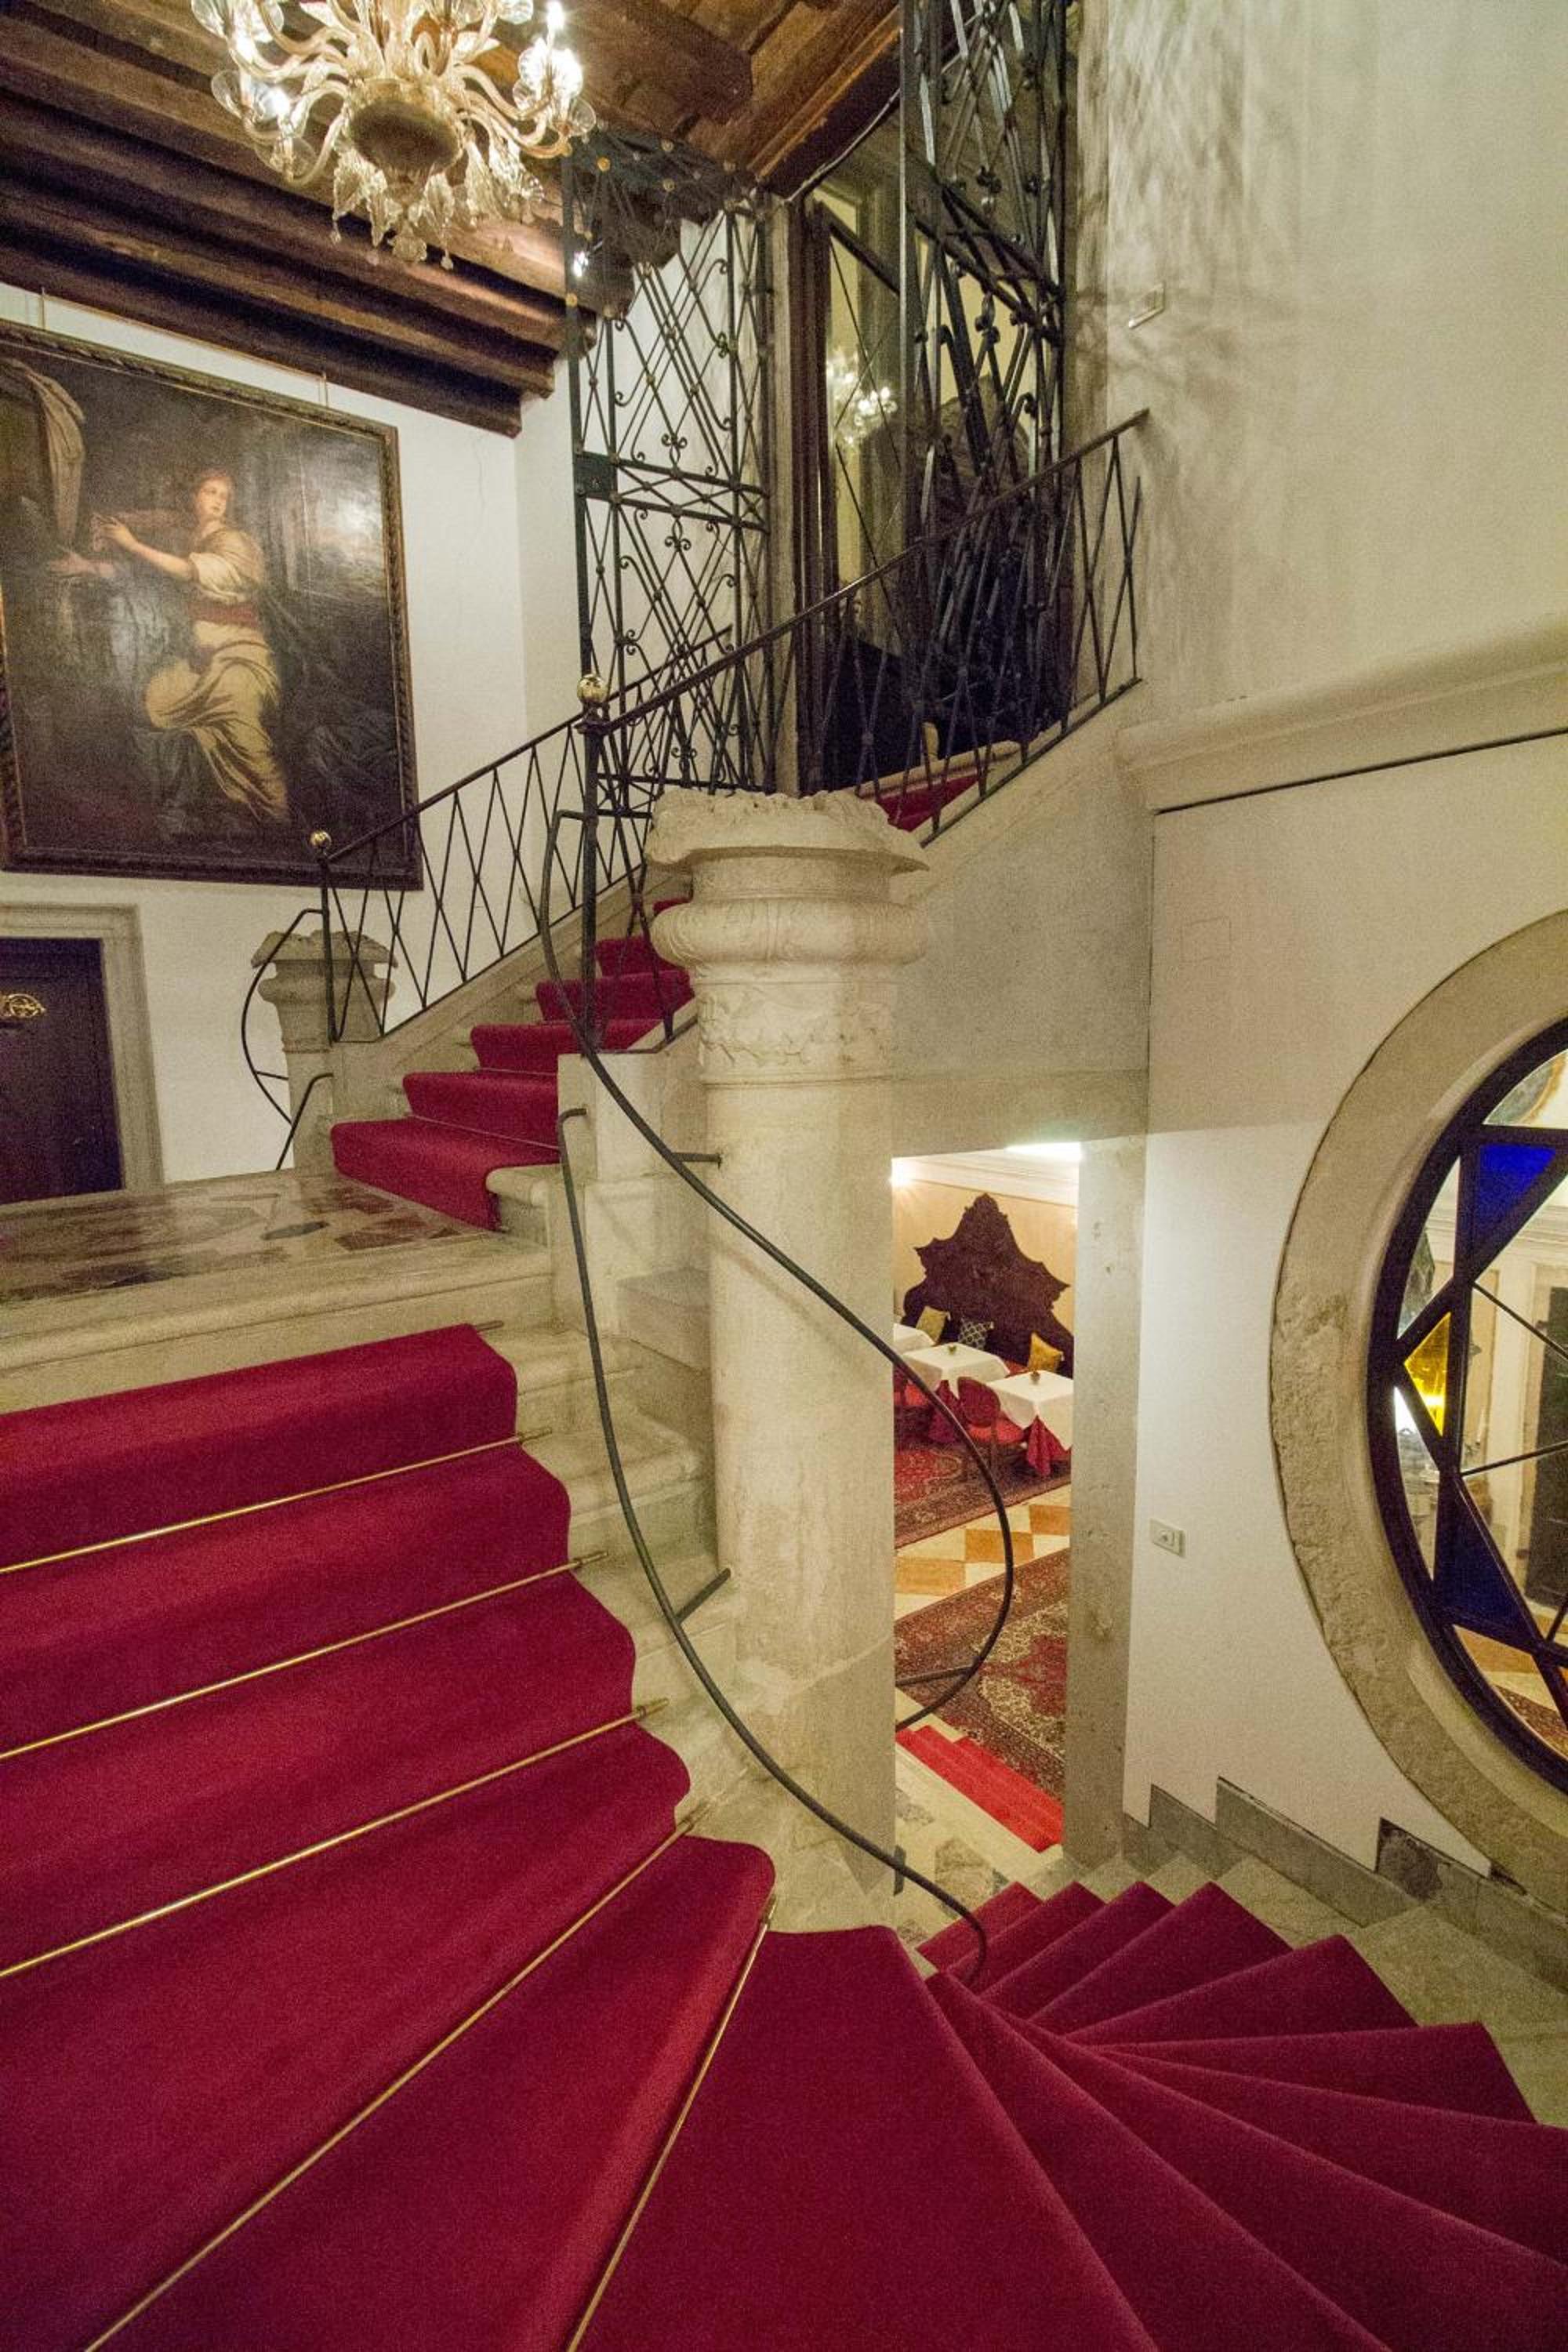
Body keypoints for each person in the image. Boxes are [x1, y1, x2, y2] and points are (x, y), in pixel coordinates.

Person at [67, 469, 290, 826]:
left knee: (240, 720)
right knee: (151, 705)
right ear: (194, 497)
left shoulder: (237, 544)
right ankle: (198, 806)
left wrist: (132, 544)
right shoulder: (186, 539)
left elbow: (188, 572)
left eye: (224, 496)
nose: (218, 501)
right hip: (198, 659)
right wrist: (93, 567)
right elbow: (146, 576)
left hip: (239, 655)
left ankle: (276, 812)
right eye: (210, 492)